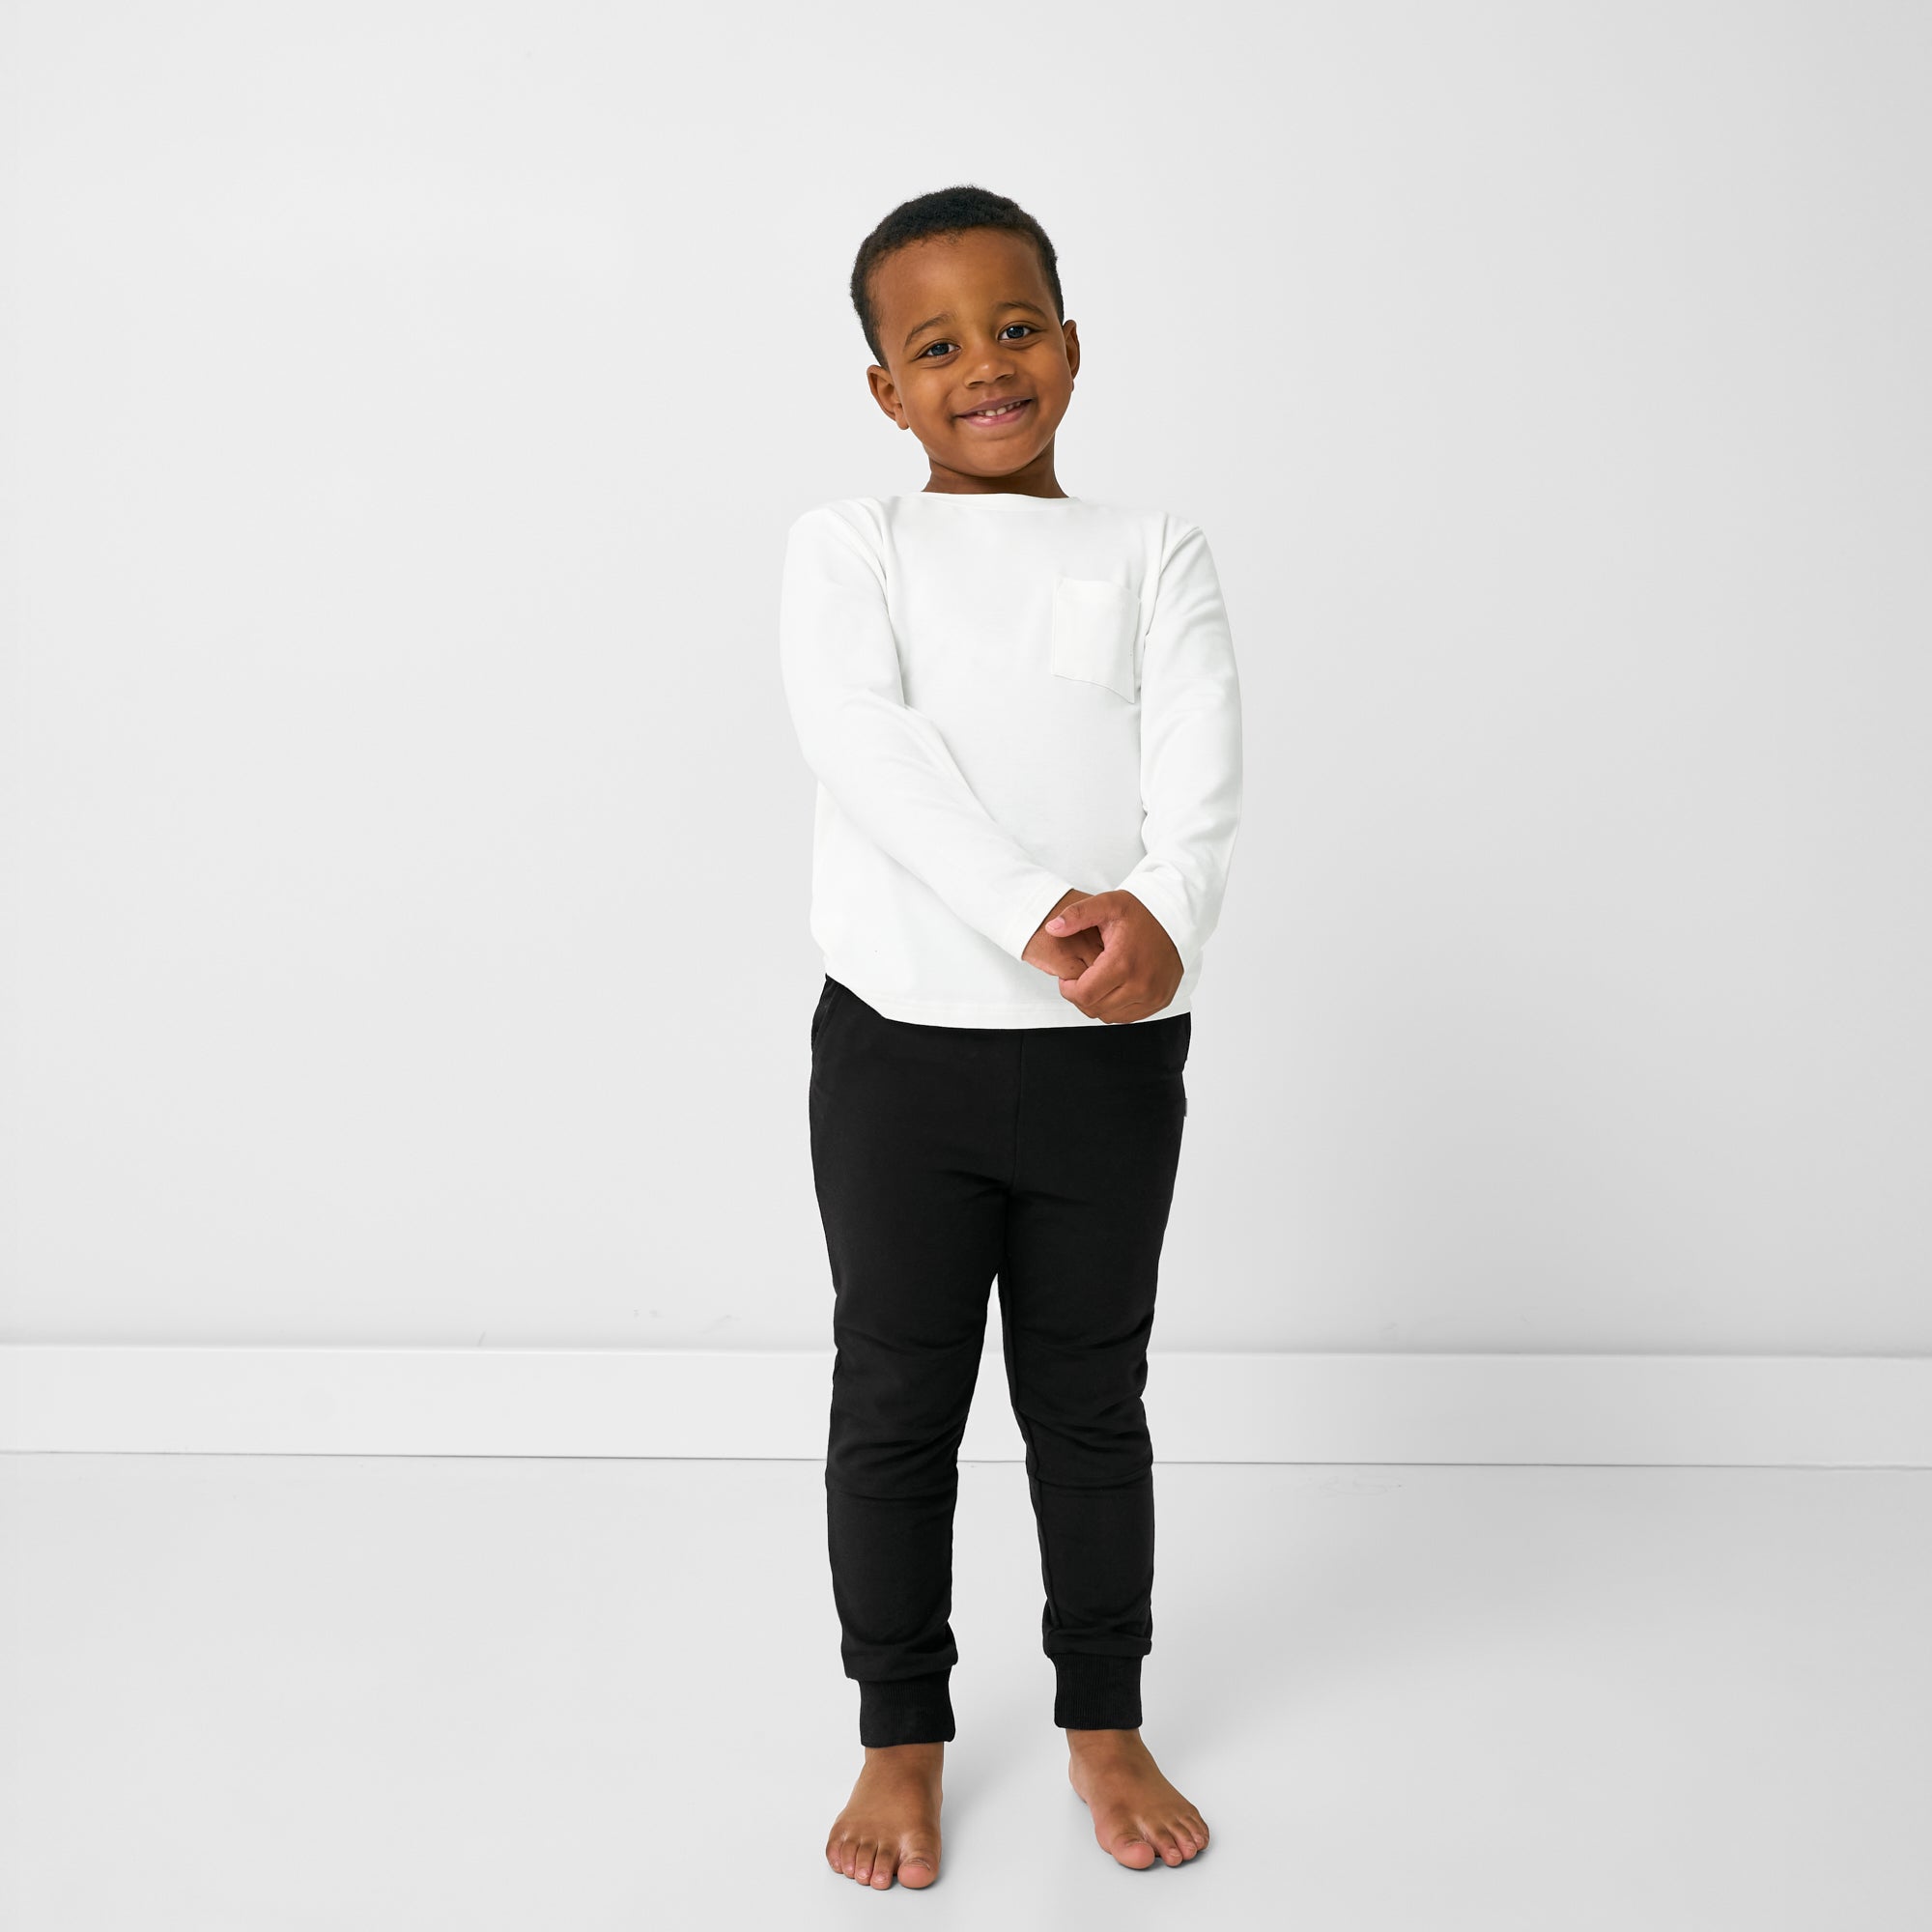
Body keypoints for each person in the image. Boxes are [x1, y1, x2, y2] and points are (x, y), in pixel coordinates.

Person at [779, 184, 1242, 1890]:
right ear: (888, 390)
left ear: (1070, 342)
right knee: (898, 1398)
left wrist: (1163, 909)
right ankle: (900, 1738)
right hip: (903, 1059)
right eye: (937, 345)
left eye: (1016, 326)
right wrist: (1040, 905)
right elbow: (867, 747)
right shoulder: (853, 547)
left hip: (1111, 1057)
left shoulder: (1151, 548)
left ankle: (1103, 1717)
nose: (985, 364)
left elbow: (1201, 759)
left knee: (1089, 1400)